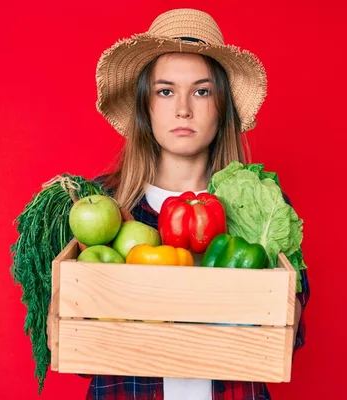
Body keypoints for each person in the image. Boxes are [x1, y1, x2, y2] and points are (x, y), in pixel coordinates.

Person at [58, 8, 310, 399]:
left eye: (202, 90)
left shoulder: (259, 206)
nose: (183, 109)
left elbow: (286, 338)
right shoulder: (102, 204)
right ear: (146, 106)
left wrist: (276, 308)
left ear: (222, 106)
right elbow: (78, 344)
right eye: (165, 90)